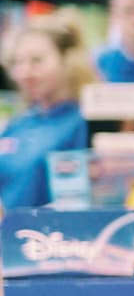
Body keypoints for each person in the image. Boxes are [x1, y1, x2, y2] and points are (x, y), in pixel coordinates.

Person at [0, 15, 92, 208]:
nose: (25, 71)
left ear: (67, 61)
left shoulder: (82, 122)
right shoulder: (18, 125)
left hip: (55, 234)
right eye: (18, 62)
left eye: (37, 61)